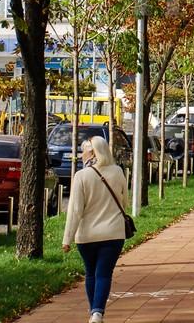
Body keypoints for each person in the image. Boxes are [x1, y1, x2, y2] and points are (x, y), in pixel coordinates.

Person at [62, 136, 128, 323]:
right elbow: (125, 202)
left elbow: (75, 211)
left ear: (92, 153)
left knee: (91, 273)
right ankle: (97, 313)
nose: (81, 154)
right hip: (113, 233)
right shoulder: (117, 172)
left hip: (87, 235)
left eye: (83, 150)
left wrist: (67, 239)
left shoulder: (81, 176)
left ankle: (94, 312)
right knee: (104, 273)